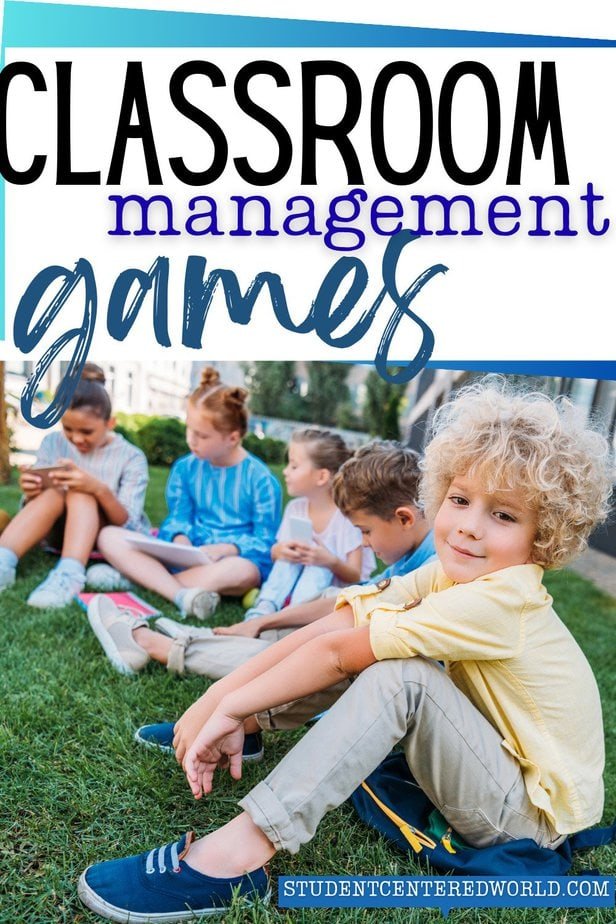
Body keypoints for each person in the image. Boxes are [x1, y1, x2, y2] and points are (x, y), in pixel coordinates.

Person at [78, 379, 613, 922]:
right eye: (459, 499)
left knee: (399, 674)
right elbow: (340, 622)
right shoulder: (450, 573)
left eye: (503, 515)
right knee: (375, 646)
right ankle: (249, 732)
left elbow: (340, 655)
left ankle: (240, 852)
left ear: (543, 535)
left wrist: (225, 704)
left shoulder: (502, 600)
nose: (469, 527)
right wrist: (225, 700)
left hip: (532, 819)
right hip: (499, 764)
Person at [87, 442, 433, 755]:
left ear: (403, 518)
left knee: (310, 649)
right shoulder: (410, 554)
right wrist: (262, 621)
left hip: (391, 686)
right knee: (299, 626)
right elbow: (348, 601)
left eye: (366, 532)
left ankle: (161, 647)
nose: (366, 543)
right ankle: (184, 645)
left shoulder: (430, 566)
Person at [92, 367, 282, 621]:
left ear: (233, 437)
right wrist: (180, 537)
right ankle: (180, 593)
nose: (191, 440)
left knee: (243, 572)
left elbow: (265, 540)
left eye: (202, 435)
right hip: (186, 554)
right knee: (109, 536)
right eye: (189, 429)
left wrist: (228, 548)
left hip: (227, 562)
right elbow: (178, 517)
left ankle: (140, 579)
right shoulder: (185, 468)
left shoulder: (261, 480)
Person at [0, 364, 149, 609]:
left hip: (106, 539)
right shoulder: (52, 442)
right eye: (68, 429)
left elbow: (128, 523)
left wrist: (98, 488)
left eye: (87, 431)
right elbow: (37, 505)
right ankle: (3, 562)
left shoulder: (131, 457)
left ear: (110, 423)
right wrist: (32, 491)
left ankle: (69, 575)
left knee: (81, 491)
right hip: (56, 533)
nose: (77, 439)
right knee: (58, 491)